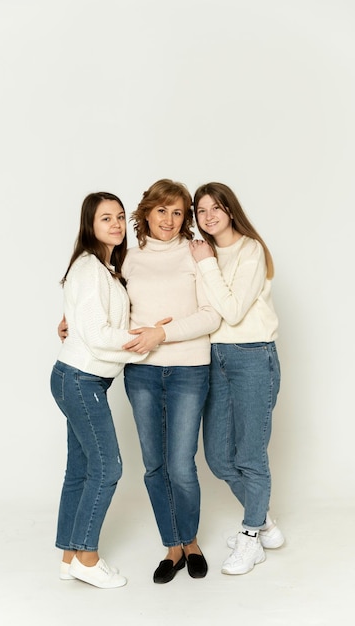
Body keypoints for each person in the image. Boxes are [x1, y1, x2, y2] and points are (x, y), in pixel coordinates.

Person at [51, 192, 165, 589]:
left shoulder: (103, 267)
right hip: (80, 378)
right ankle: (87, 556)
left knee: (81, 470)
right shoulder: (88, 268)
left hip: (82, 377)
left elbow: (84, 324)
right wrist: (141, 341)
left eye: (119, 217)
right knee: (108, 468)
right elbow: (97, 335)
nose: (116, 224)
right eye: (105, 219)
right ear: (90, 225)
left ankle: (69, 557)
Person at [121, 179, 221, 583]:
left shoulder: (196, 253)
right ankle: (172, 547)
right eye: (162, 210)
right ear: (146, 213)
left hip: (189, 370)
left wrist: (162, 333)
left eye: (178, 212)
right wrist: (70, 322)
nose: (169, 219)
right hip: (141, 371)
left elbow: (212, 314)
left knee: (180, 465)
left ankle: (191, 540)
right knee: (153, 465)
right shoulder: (127, 258)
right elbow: (111, 308)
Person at [190, 182, 284, 576]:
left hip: (251, 356)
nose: (208, 216)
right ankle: (263, 522)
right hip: (214, 358)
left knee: (249, 455)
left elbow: (230, 310)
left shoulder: (250, 250)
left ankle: (250, 537)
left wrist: (207, 262)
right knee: (217, 457)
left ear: (231, 210)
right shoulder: (199, 253)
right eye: (201, 210)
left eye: (216, 208)